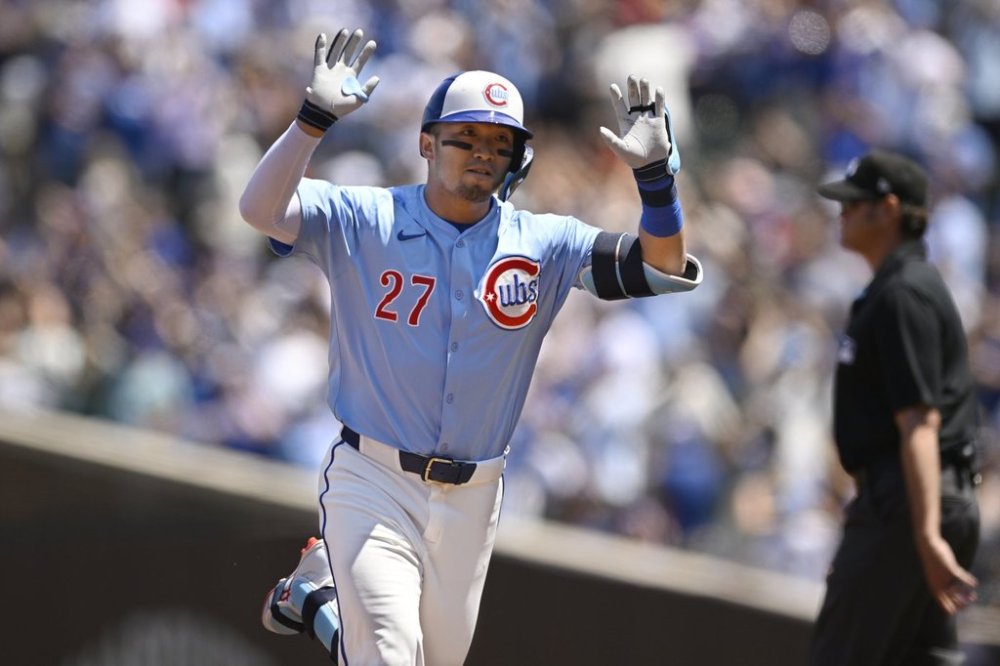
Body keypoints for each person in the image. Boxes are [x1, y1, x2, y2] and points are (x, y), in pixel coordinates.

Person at [239, 26, 702, 665]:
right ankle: (323, 592)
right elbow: (260, 210)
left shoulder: (545, 242)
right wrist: (311, 122)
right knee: (388, 655)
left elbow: (662, 266)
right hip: (372, 476)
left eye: (499, 142)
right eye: (466, 137)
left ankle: (315, 597)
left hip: (475, 493)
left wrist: (655, 180)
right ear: (427, 144)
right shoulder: (366, 217)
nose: (483, 152)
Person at [809, 150, 981, 665]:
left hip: (908, 503)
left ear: (887, 209)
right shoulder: (898, 287)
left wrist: (924, 534)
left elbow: (920, 422)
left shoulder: (904, 293)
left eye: (853, 203)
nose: (842, 213)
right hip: (924, 499)